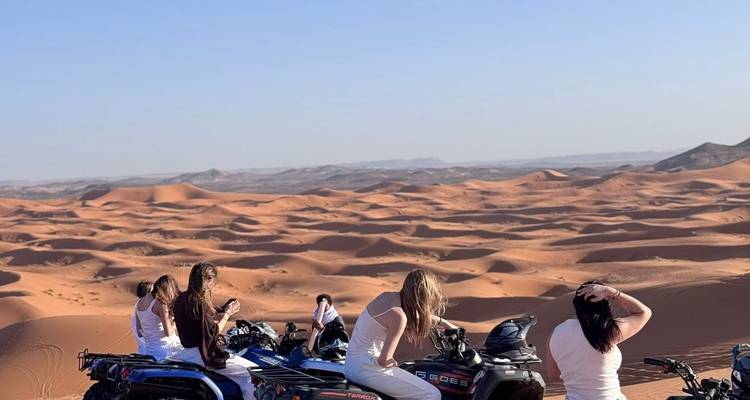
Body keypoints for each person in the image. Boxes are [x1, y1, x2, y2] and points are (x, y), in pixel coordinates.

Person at [344, 269, 456, 400]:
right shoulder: (399, 317)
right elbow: (384, 360)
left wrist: (444, 323)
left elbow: (415, 314)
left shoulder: (386, 297)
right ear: (424, 295)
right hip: (368, 368)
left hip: (352, 365)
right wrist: (395, 364)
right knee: (432, 394)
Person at [547, 281, 653, 400]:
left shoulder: (556, 332)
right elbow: (644, 312)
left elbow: (553, 375)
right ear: (605, 305)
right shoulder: (609, 331)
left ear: (576, 305)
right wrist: (612, 292)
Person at [172, 262, 257, 400]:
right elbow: (212, 332)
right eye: (212, 280)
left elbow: (200, 318)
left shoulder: (182, 299)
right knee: (254, 372)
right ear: (206, 280)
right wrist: (227, 314)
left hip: (186, 353)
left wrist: (222, 309)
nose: (213, 285)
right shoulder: (199, 303)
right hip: (203, 355)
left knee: (240, 377)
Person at [134, 275, 183, 360]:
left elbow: (139, 332)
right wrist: (175, 322)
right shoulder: (160, 304)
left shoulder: (139, 302)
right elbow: (168, 333)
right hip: (168, 352)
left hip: (150, 352)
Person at [132, 280, 153, 354]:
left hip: (144, 350)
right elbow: (140, 333)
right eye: (152, 291)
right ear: (148, 293)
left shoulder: (139, 306)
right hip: (149, 351)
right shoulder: (141, 308)